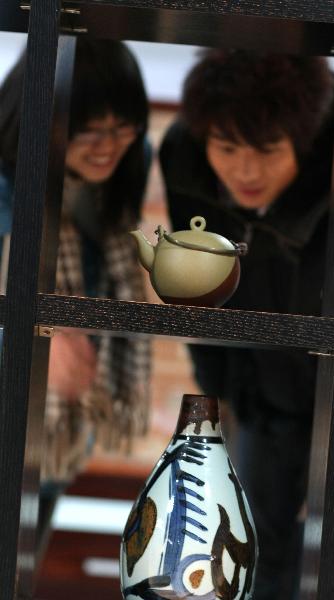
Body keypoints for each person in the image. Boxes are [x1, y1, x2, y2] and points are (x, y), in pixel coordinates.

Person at [159, 50, 334, 599]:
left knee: (333, 568)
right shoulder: (184, 155)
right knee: (247, 560)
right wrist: (222, 401)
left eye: (268, 151)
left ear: (303, 139)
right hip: (259, 401)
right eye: (227, 149)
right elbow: (203, 300)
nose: (245, 171)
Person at [0, 38, 152, 556]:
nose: (109, 144)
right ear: (46, 119)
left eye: (124, 125)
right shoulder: (6, 184)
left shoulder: (116, 182)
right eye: (90, 128)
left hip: (58, 435)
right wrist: (29, 337)